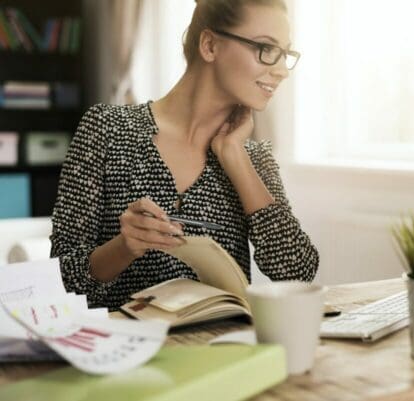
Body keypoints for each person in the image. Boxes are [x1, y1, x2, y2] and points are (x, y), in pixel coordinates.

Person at [50, 0, 319, 311]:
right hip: (125, 351)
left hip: (221, 352)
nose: (282, 70)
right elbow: (60, 282)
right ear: (209, 45)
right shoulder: (106, 129)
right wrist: (124, 247)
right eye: (266, 49)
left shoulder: (253, 158)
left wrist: (235, 158)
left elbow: (298, 273)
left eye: (285, 55)